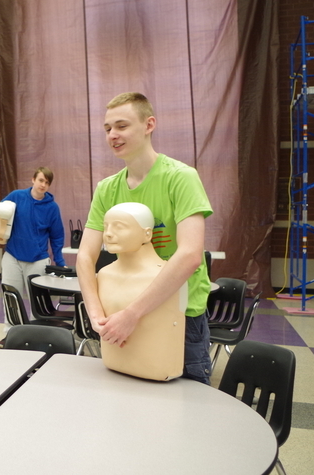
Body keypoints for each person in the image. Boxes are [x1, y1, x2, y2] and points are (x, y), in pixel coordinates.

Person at [76, 92, 213, 384]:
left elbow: (190, 254)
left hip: (179, 314)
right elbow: (85, 255)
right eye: (108, 128)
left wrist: (133, 314)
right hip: (119, 313)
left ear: (149, 125)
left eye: (122, 126)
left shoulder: (181, 178)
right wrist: (95, 313)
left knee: (185, 401)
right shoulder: (106, 189)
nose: (112, 135)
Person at [97, 202, 186, 381]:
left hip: (158, 374)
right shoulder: (104, 274)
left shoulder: (169, 278)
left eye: (119, 227)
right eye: (106, 227)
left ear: (147, 234)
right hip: (112, 371)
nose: (108, 233)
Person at [0, 167, 66, 336]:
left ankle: (35, 335)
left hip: (38, 260)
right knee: (10, 297)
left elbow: (57, 236)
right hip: (12, 257)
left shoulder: (52, 208)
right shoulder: (16, 196)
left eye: (47, 182)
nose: (43, 185)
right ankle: (10, 334)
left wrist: (60, 262)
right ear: (33, 179)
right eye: (41, 180)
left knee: (37, 302)